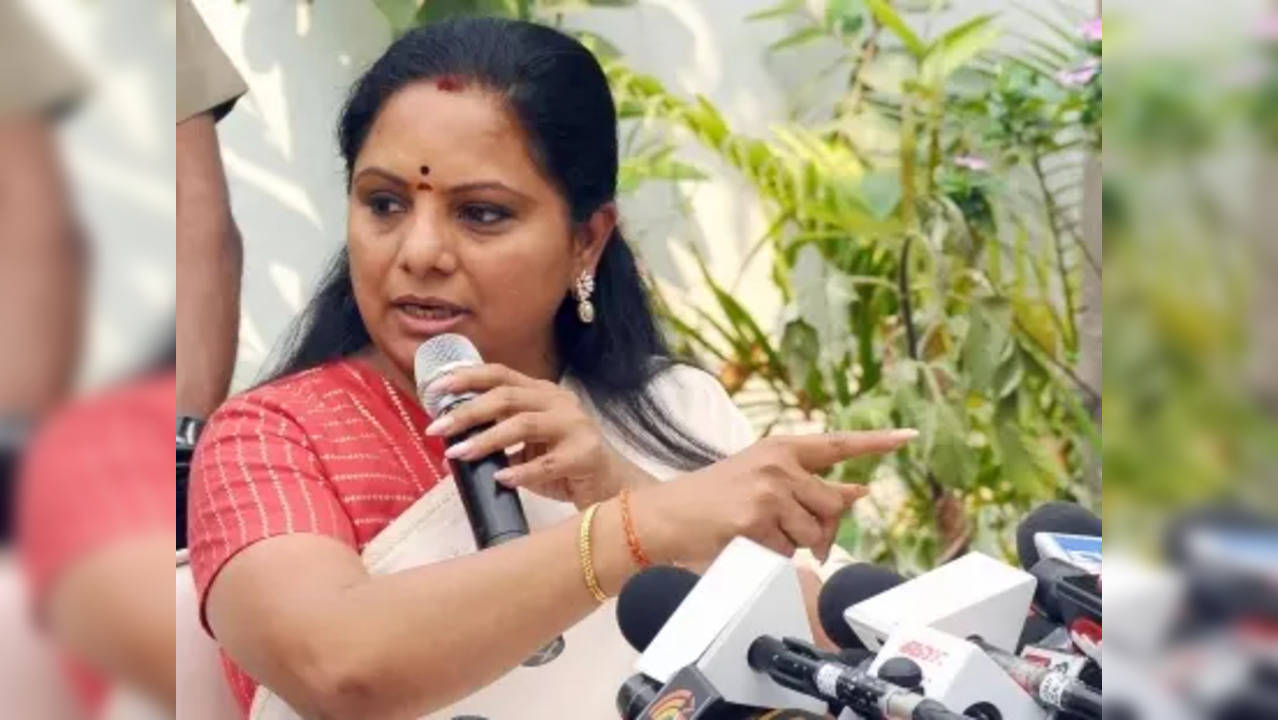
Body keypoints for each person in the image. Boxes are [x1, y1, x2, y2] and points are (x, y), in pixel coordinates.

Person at [186, 17, 917, 720]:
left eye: (481, 214)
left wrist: (618, 486)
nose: (419, 252)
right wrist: (635, 528)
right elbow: (338, 666)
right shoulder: (271, 440)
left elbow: (818, 667)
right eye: (384, 203)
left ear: (586, 242)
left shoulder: (676, 409)